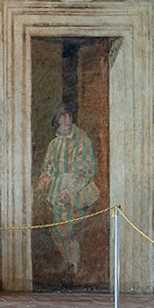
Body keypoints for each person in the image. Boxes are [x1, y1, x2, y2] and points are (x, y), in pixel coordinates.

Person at [37, 107, 100, 274]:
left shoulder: (82, 140)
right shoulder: (54, 144)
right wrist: (45, 178)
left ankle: (74, 264)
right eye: (61, 117)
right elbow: (49, 166)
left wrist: (70, 189)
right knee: (57, 231)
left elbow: (86, 170)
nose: (65, 120)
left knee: (69, 231)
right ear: (57, 121)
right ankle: (67, 261)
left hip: (77, 190)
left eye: (68, 116)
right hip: (56, 191)